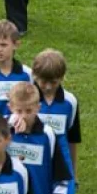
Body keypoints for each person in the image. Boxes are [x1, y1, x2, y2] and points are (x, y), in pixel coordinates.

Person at [6, 83, 73, 194]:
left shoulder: (47, 135)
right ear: (10, 107)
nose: (24, 116)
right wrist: (10, 122)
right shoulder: (4, 130)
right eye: (19, 111)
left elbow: (61, 178)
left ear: (38, 108)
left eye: (29, 111)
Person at [32, 49, 81, 182]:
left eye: (53, 82)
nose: (48, 87)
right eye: (43, 82)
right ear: (35, 76)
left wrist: (73, 172)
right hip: (34, 166)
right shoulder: (27, 100)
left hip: (61, 166)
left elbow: (72, 139)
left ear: (62, 77)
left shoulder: (70, 102)